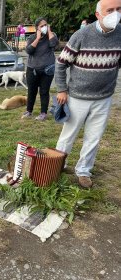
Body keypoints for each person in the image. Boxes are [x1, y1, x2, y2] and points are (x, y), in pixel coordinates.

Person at [55, 0, 121, 188]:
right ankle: (59, 164)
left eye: (119, 9)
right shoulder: (82, 34)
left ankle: (84, 170)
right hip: (78, 97)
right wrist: (62, 89)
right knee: (69, 135)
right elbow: (61, 64)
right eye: (110, 10)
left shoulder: (120, 34)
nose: (115, 14)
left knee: (94, 136)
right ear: (98, 14)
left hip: (104, 97)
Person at [22, 17, 59, 121]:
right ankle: (29, 111)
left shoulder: (52, 36)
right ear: (37, 28)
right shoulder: (32, 37)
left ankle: (43, 113)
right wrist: (37, 39)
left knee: (44, 91)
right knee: (31, 91)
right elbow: (29, 51)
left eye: (45, 25)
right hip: (32, 69)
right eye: (41, 26)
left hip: (47, 69)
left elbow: (54, 44)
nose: (44, 27)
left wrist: (50, 32)